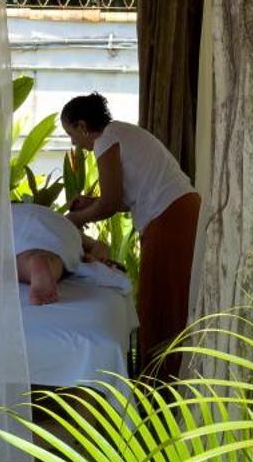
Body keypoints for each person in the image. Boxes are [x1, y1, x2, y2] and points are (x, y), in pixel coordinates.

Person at [61, 93, 200, 374]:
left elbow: (110, 204)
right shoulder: (121, 132)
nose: (74, 143)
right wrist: (90, 204)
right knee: (167, 304)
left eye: (72, 133)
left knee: (159, 307)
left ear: (83, 126)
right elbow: (124, 199)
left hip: (170, 218)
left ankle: (158, 388)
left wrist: (73, 219)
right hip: (178, 212)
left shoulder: (106, 141)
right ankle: (162, 382)